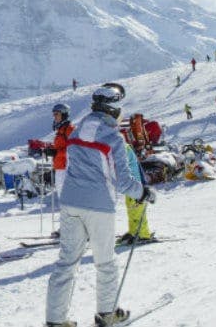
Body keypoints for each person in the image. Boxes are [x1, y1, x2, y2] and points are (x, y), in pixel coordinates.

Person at [44, 83, 153, 327]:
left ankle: (55, 320)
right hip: (98, 205)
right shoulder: (113, 137)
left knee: (66, 262)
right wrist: (144, 192)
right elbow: (124, 182)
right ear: (113, 109)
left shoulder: (76, 130)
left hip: (70, 201)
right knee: (105, 262)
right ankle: (107, 313)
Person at [51, 104, 74, 193]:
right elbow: (61, 146)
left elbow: (73, 149)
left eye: (57, 114)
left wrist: (56, 153)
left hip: (66, 168)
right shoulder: (61, 130)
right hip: (59, 166)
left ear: (64, 114)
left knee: (65, 194)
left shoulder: (69, 129)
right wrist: (50, 150)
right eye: (54, 114)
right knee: (61, 193)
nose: (54, 116)